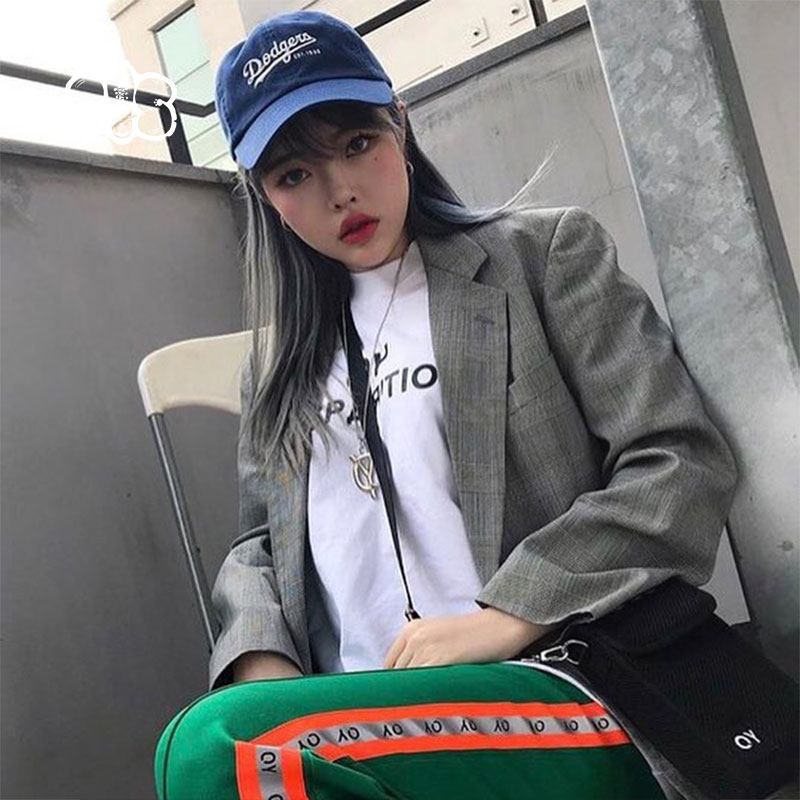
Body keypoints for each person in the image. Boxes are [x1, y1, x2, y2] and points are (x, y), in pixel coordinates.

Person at [155, 10, 737, 800]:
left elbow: (678, 462)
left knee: (215, 748)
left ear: (400, 123)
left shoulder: (541, 260)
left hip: (564, 680)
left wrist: (508, 615)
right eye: (294, 175)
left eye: (356, 144)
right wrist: (263, 659)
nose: (340, 191)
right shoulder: (278, 367)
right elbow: (258, 542)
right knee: (250, 740)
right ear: (265, 197)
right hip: (359, 717)